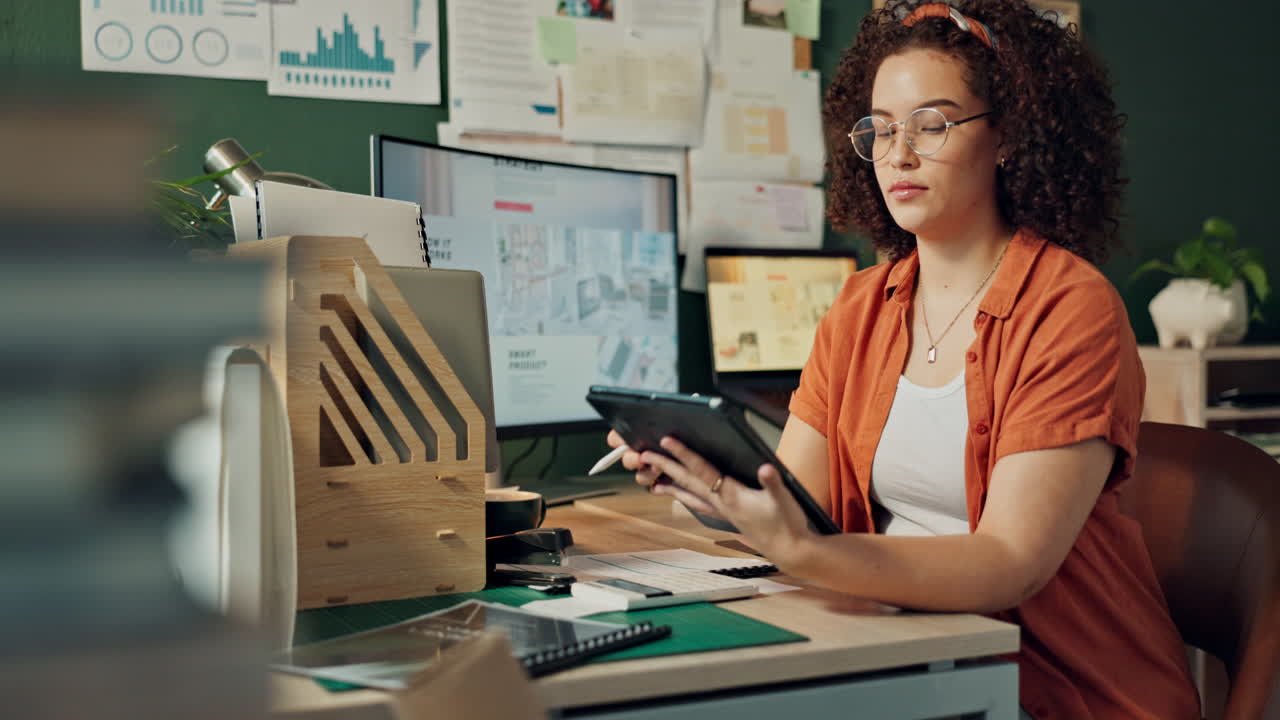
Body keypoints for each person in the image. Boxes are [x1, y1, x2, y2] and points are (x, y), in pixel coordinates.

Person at [605, 2, 1201, 718]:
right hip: (912, 656)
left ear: (1007, 134)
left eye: (933, 124)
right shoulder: (858, 308)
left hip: (1065, 692)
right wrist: (699, 480)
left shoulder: (1071, 309)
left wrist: (809, 554)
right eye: (881, 130)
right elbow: (801, 503)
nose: (899, 154)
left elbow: (1010, 563)